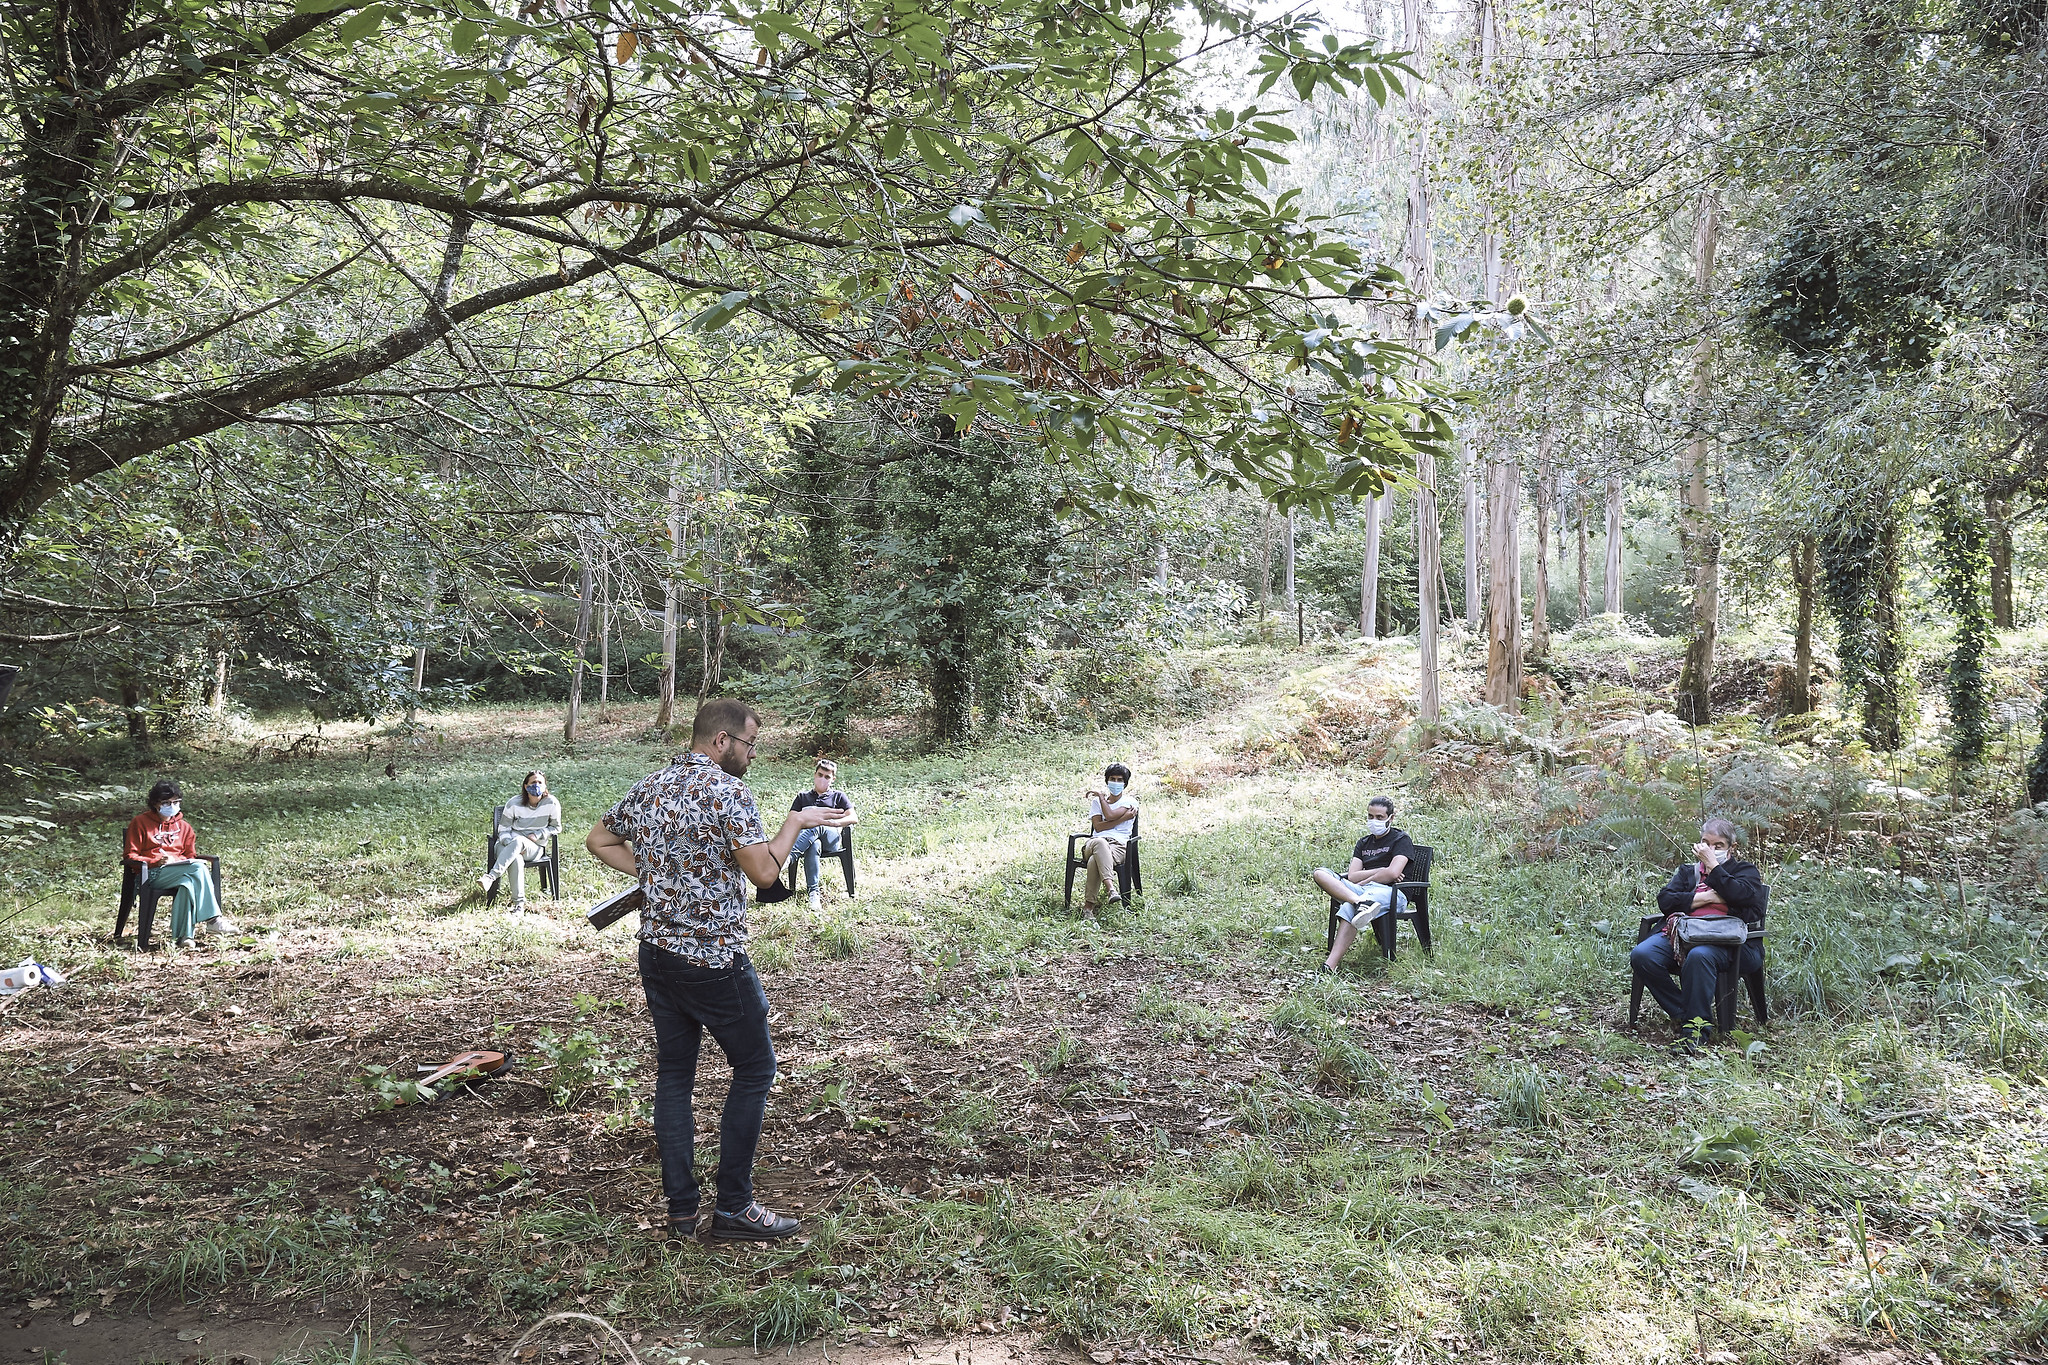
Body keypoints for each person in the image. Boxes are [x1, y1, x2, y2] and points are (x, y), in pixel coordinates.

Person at [584, 698, 850, 1243]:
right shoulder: (728, 792)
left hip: (657, 954)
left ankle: (682, 1212)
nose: (753, 756)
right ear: (723, 740)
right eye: (750, 744)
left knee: (675, 1077)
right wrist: (795, 821)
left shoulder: (652, 786)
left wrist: (660, 872)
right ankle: (734, 1206)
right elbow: (762, 873)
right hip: (714, 957)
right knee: (755, 1069)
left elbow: (598, 839)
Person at [1629, 818, 1767, 1051]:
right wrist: (1707, 897)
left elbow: (1748, 901)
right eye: (1705, 843)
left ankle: (1694, 1032)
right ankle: (1688, 1013)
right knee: (1643, 954)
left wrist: (1714, 868)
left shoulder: (1744, 871)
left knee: (1699, 956)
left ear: (1731, 848)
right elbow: (1666, 900)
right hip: (1684, 935)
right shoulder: (1687, 872)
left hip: (1730, 944)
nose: (1709, 850)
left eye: (1718, 846)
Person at [123, 780, 234, 947]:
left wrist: (176, 860)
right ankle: (213, 920)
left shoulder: (184, 827)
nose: (172, 806)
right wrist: (155, 861)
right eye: (166, 802)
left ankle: (184, 937)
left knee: (188, 884)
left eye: (175, 802)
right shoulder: (140, 823)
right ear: (155, 804)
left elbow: (190, 854)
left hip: (180, 872)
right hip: (150, 874)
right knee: (198, 868)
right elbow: (130, 855)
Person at [1312, 796, 1413, 972]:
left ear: (1391, 818)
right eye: (1370, 816)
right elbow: (1352, 876)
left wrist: (1371, 878)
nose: (1374, 821)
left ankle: (1329, 965)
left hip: (1393, 892)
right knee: (1320, 873)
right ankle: (1360, 902)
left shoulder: (1401, 839)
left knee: (1352, 907)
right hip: (1362, 890)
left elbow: (1393, 873)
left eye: (1380, 817)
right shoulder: (1364, 843)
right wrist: (1381, 871)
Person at [479, 771, 561, 912]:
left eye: (540, 782)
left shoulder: (551, 803)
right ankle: (519, 906)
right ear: (525, 786)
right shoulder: (513, 803)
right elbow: (503, 830)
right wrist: (512, 844)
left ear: (545, 785)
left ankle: (490, 877)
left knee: (519, 842)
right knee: (516, 856)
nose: (537, 785)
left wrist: (539, 834)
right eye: (533, 783)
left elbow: (556, 827)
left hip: (533, 847)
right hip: (506, 845)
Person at [789, 759, 858, 912]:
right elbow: (791, 820)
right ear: (814, 775)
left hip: (831, 838)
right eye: (820, 775)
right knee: (814, 845)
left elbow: (853, 818)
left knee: (819, 825)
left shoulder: (838, 797)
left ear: (833, 779)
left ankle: (788, 858)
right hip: (809, 840)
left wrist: (834, 823)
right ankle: (813, 893)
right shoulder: (802, 797)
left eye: (827, 777)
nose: (822, 779)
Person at [1080, 763, 1138, 914]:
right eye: (1113, 779)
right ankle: (1111, 889)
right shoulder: (1096, 803)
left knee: (1094, 861)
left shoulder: (1130, 802)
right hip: (1094, 843)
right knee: (1099, 842)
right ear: (1107, 781)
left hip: (1118, 847)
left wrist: (1102, 800)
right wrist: (1123, 818)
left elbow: (1110, 815)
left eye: (1120, 780)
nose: (1116, 783)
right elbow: (1098, 827)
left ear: (1125, 783)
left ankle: (1088, 908)